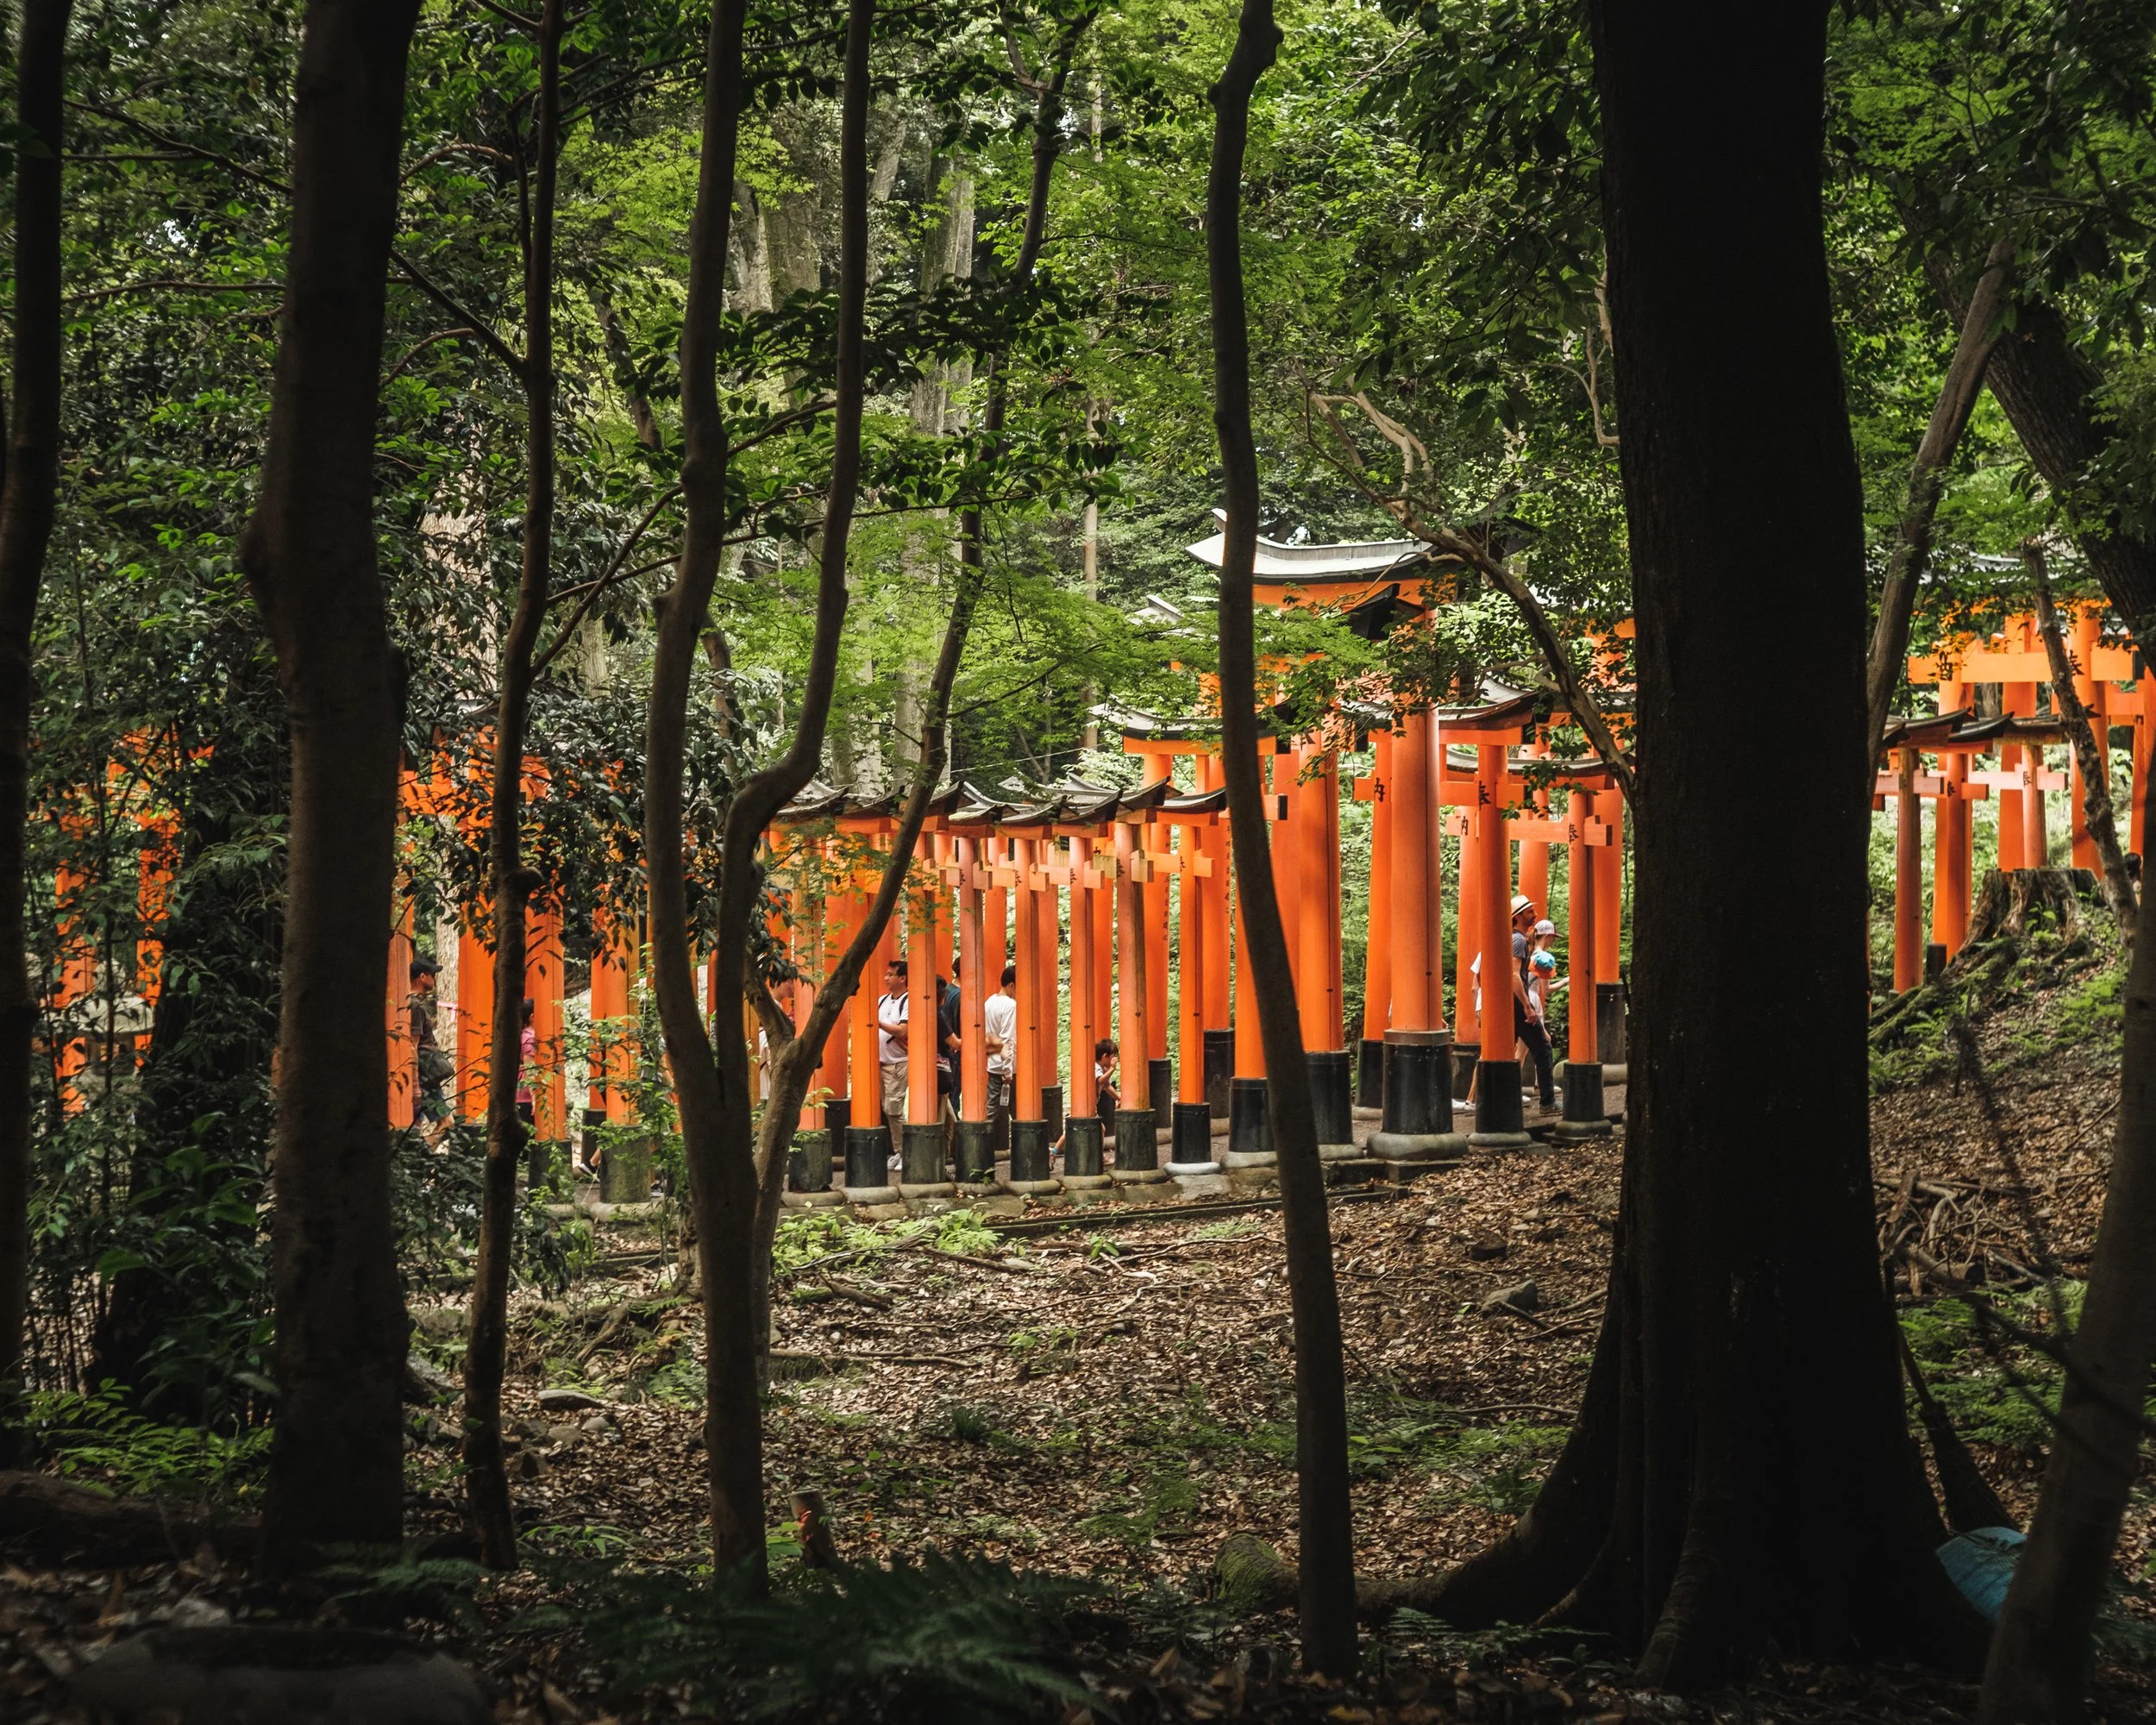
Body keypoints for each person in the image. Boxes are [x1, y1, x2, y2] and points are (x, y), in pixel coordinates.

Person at [407, 957, 453, 1143]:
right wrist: (416, 1084)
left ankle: (419, 1160)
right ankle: (419, 1161)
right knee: (446, 1123)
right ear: (422, 976)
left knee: (445, 1122)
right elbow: (412, 1044)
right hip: (423, 1075)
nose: (434, 979)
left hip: (424, 1075)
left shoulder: (414, 1003)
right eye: (432, 974)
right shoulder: (415, 1006)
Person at [876, 957, 911, 1145]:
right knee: (887, 1108)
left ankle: (903, 1151)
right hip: (881, 1062)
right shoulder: (882, 1001)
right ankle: (898, 1149)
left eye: (890, 974)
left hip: (898, 1062)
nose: (886, 978)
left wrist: (877, 1023)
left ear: (903, 978)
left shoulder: (908, 1000)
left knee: (894, 1109)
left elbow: (903, 1030)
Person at [1521, 948, 1558, 1109]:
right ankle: (1546, 1100)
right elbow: (1547, 990)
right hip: (1530, 1003)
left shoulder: (1529, 958)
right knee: (1532, 1050)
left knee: (1540, 1045)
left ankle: (1541, 1088)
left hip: (1526, 1001)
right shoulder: (1539, 957)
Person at [1094, 1038, 1120, 1121]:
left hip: (1092, 1105)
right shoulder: (1095, 1067)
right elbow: (1100, 1081)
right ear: (1105, 1056)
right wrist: (1112, 1069)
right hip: (1085, 1105)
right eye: (1113, 1058)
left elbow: (1106, 1085)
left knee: (1102, 1130)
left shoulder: (1101, 1068)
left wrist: (1119, 1098)